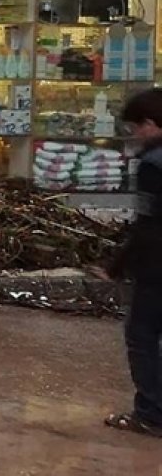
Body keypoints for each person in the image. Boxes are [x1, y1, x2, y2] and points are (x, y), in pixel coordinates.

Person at [106, 88, 162, 437]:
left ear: (151, 124)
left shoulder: (153, 165)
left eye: (137, 127)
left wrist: (118, 265)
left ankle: (150, 414)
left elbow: (149, 225)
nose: (135, 135)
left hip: (157, 268)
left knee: (141, 335)